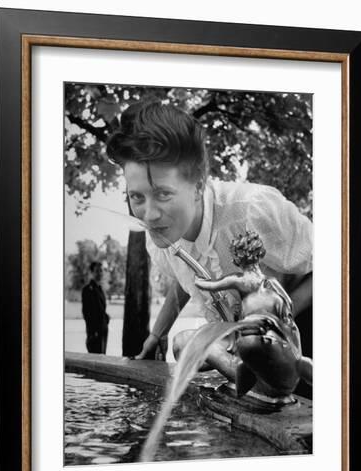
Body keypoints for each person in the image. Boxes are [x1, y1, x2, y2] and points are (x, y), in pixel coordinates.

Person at [106, 99, 313, 383]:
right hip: (242, 346)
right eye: (137, 197)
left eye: (163, 194)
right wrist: (158, 332)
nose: (149, 215)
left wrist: (270, 326)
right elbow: (186, 274)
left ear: (199, 184)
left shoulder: (253, 210)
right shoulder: (159, 238)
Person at [82, 262, 109, 354]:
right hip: (94, 333)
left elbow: (101, 309)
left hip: (103, 330)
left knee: (102, 357)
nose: (100, 273)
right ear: (92, 272)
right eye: (97, 271)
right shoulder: (87, 290)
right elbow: (86, 313)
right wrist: (93, 332)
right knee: (95, 359)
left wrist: (106, 318)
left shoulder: (100, 289)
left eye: (101, 271)